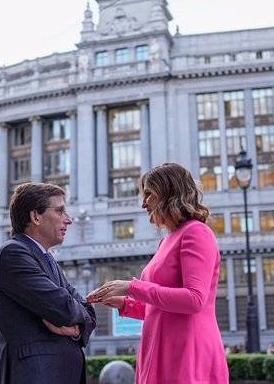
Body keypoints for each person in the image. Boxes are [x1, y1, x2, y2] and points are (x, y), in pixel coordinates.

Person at [87, 163, 229, 384]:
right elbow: (163, 308)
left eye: (149, 195)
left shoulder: (197, 233)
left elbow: (194, 300)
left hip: (186, 349)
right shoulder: (168, 240)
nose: (144, 203)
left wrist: (132, 287)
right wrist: (125, 304)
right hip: (163, 346)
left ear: (169, 194)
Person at [0, 182, 96, 384]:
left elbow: (89, 311)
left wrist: (75, 329)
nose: (69, 219)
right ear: (35, 216)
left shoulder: (47, 259)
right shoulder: (13, 253)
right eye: (59, 211)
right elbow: (64, 308)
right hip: (36, 375)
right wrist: (74, 316)